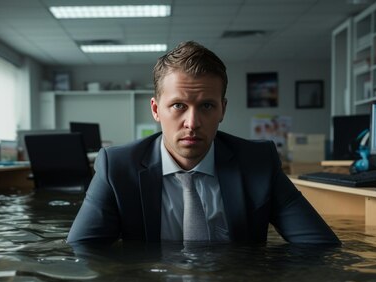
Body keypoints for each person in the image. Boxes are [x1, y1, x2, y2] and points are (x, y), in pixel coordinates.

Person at [67, 41, 340, 245]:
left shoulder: (258, 162)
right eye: (178, 106)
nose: (192, 122)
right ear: (155, 109)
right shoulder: (117, 167)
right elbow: (85, 253)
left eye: (207, 105)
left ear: (222, 109)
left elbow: (320, 247)